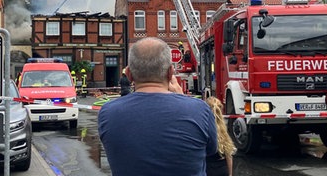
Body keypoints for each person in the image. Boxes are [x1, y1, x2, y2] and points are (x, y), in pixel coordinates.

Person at [98, 37, 217, 176]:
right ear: (170, 72)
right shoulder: (200, 110)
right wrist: (183, 97)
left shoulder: (108, 113)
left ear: (129, 75)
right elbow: (211, 150)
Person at [205, 96, 236, 176]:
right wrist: (230, 174)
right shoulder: (223, 131)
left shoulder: (204, 128)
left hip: (207, 169)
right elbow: (229, 155)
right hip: (222, 170)